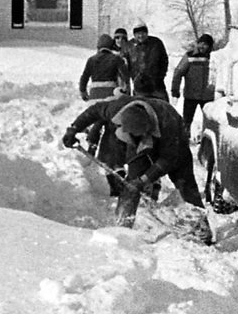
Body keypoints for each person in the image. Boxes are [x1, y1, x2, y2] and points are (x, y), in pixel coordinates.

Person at [61, 81, 211, 242]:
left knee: (186, 185)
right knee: (131, 185)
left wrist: (145, 180)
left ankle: (202, 231)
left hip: (174, 146)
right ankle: (121, 227)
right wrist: (73, 129)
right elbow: (94, 111)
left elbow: (168, 160)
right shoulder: (117, 109)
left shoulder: (169, 123)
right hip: (140, 141)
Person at [171, 33, 216, 139]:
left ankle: (206, 140)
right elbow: (178, 72)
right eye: (201, 43)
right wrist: (175, 90)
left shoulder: (214, 58)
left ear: (210, 46)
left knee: (209, 121)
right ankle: (184, 140)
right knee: (186, 121)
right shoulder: (190, 56)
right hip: (191, 95)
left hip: (208, 96)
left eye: (205, 44)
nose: (202, 46)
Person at [125, 22, 170, 100]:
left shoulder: (156, 43)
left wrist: (160, 76)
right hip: (139, 87)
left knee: (162, 107)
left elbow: (164, 61)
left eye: (143, 33)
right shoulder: (128, 46)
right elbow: (125, 66)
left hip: (157, 85)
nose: (141, 36)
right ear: (134, 34)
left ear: (147, 33)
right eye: (138, 33)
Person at [78, 33, 129, 101]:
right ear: (111, 46)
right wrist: (125, 89)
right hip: (111, 93)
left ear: (98, 46)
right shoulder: (116, 58)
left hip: (94, 94)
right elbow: (126, 76)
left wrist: (83, 92)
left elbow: (84, 78)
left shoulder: (91, 60)